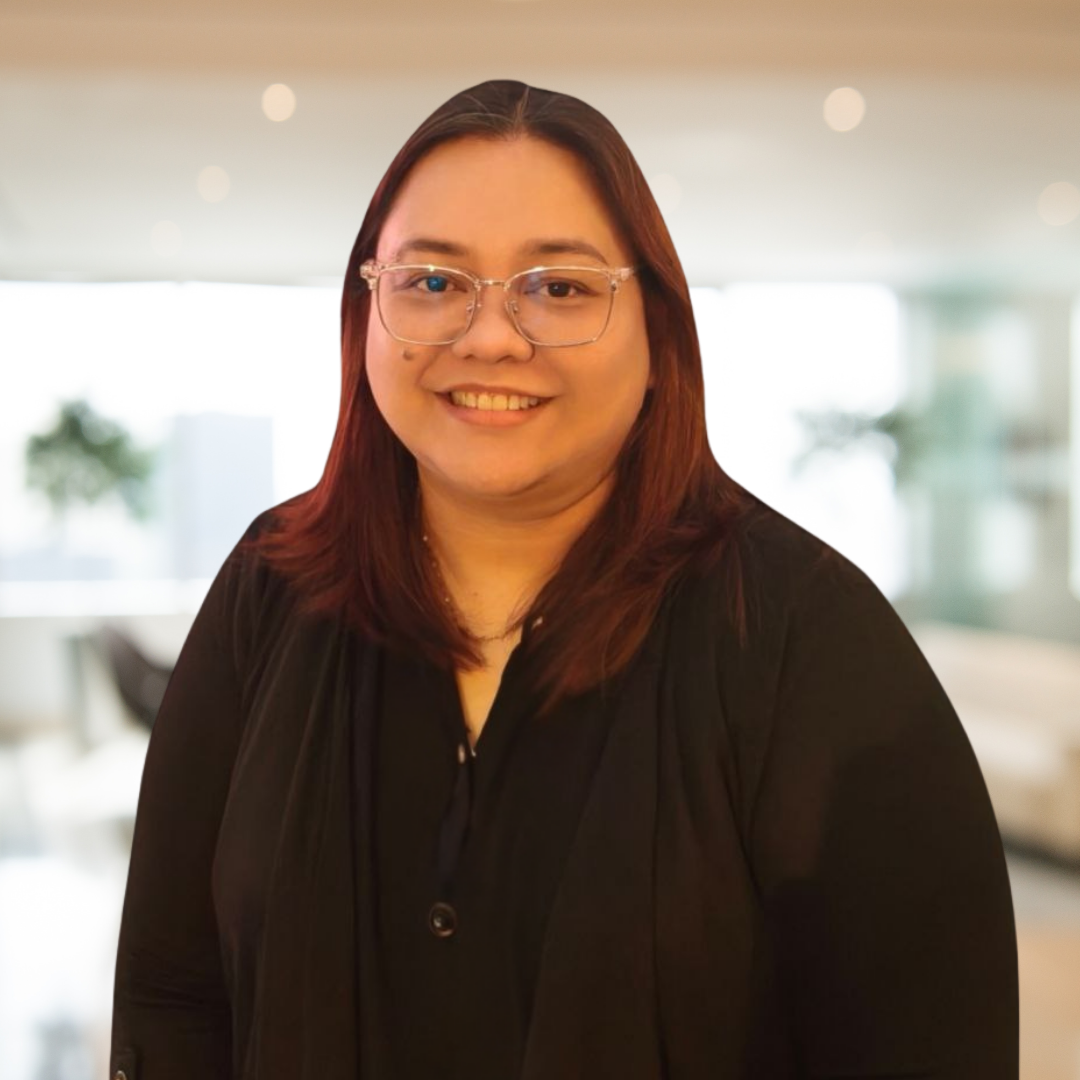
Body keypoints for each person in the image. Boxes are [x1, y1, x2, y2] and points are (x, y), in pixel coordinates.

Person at [109, 79, 1019, 1080]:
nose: (490, 336)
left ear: (661, 342)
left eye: (561, 287)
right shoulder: (269, 590)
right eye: (433, 282)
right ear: (365, 316)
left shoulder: (810, 639)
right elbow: (171, 993)